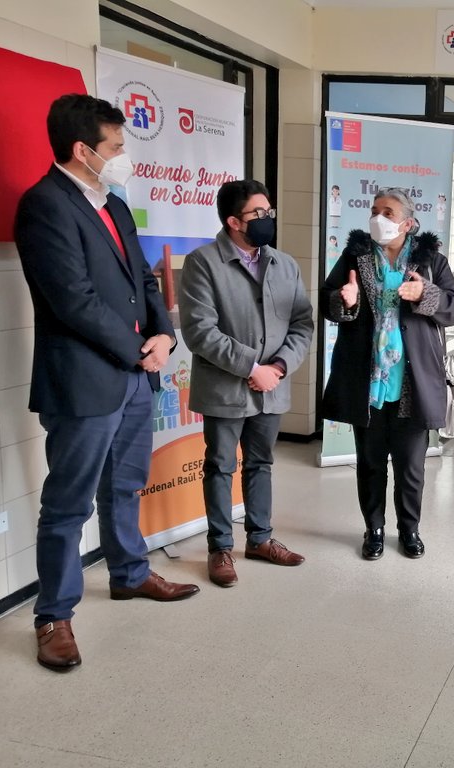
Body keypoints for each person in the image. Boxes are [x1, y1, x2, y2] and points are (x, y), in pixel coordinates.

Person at [13, 94, 199, 672]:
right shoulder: (44, 206)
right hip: (85, 381)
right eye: (116, 147)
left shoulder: (114, 203)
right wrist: (136, 352)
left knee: (125, 485)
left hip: (135, 377)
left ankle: (130, 574)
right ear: (82, 150)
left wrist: (164, 336)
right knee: (67, 505)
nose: (123, 156)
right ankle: (53, 616)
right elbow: (73, 300)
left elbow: (142, 277)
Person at [178, 180, 314, 588]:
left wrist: (279, 366)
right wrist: (251, 367)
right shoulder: (203, 263)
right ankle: (220, 547)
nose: (267, 219)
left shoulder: (285, 264)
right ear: (234, 221)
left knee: (261, 464)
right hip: (225, 389)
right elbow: (200, 331)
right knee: (220, 466)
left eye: (269, 211)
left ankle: (260, 539)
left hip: (272, 385)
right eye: (258, 214)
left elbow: (302, 323)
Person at [322, 188, 454, 560]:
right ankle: (374, 529)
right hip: (367, 381)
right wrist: (344, 300)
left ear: (408, 222)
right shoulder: (355, 257)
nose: (378, 217)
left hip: (412, 381)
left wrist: (425, 294)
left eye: (387, 212)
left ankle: (409, 529)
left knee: (410, 465)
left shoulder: (431, 260)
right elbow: (328, 300)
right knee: (369, 464)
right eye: (374, 210)